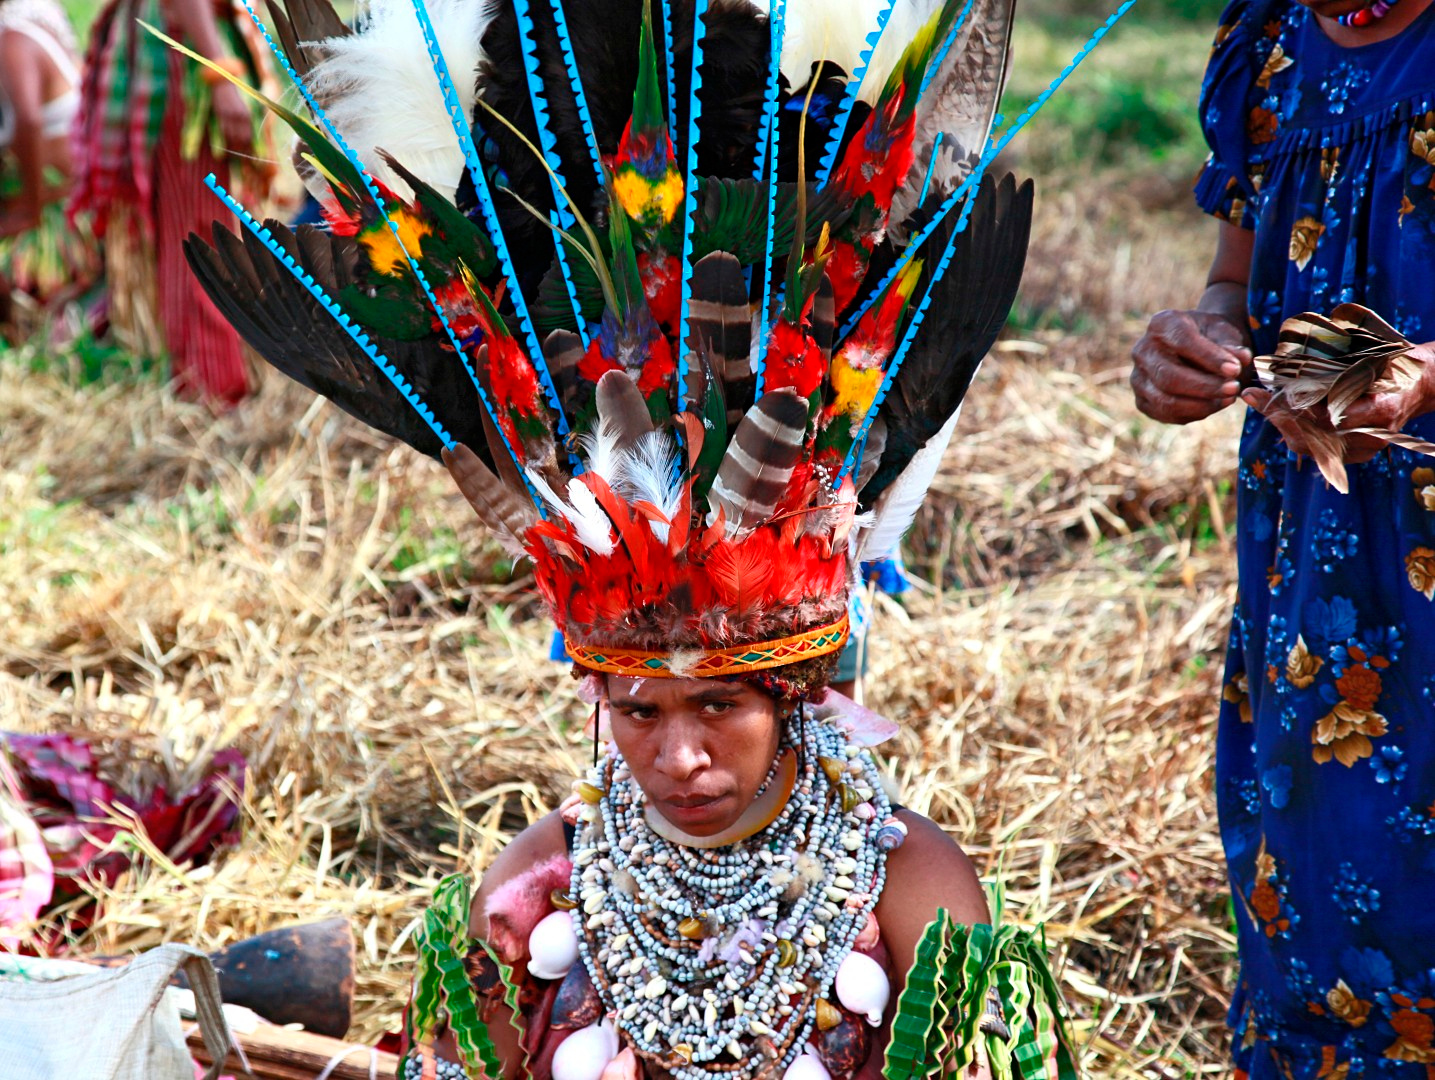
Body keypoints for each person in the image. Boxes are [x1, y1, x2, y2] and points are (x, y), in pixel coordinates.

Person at [178, 0, 1098, 1073]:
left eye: (720, 704)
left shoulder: (909, 887)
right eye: (640, 709)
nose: (679, 758)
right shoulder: (536, 888)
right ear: (598, 700)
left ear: (794, 697)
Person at [1131, 1, 1435, 1075]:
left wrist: (1426, 372)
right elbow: (1236, 276)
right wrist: (1200, 338)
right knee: (1317, 882)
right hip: (1321, 559)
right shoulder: (1267, 44)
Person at [68, 0, 274, 404]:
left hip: (184, 48)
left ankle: (202, 383)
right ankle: (213, 389)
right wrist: (219, 72)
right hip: (186, 56)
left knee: (196, 228)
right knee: (199, 232)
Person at [0, 0, 94, 335]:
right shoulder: (28, 23)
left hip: (55, 220)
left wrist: (29, 209)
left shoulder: (12, 41)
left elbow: (28, 120)